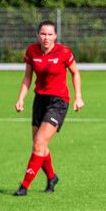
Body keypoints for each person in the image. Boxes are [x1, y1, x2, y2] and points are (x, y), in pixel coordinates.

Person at [13, 20, 84, 196]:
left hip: (58, 102)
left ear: (55, 36)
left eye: (50, 34)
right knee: (39, 145)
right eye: (43, 34)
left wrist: (78, 97)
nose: (46, 38)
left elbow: (75, 72)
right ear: (38, 35)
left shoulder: (64, 52)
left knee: (39, 143)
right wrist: (21, 98)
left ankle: (24, 186)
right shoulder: (31, 51)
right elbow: (27, 77)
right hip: (40, 100)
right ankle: (52, 177)